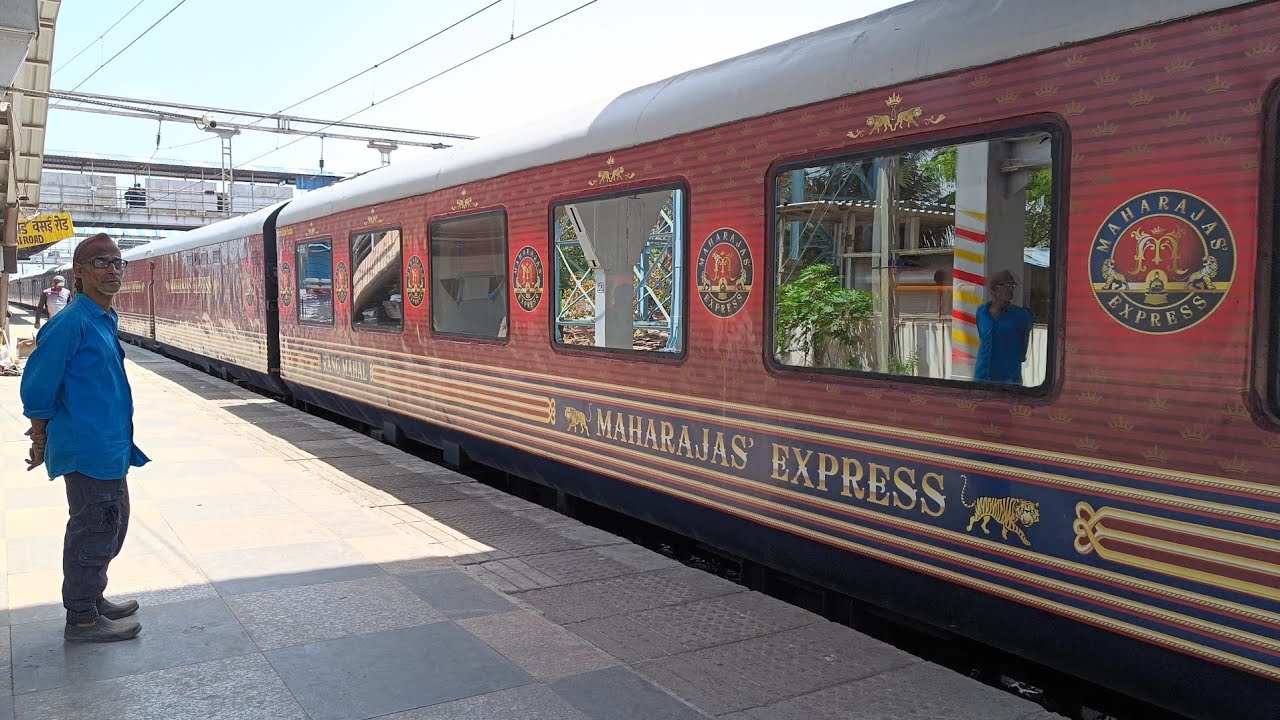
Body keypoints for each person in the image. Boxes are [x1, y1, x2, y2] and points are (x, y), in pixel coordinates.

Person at [20, 233, 150, 643]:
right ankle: (81, 617)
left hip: (109, 446)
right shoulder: (71, 324)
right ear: (78, 272)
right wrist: (39, 438)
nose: (112, 270)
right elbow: (38, 386)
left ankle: (92, 597)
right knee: (93, 529)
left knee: (112, 525)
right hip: (87, 447)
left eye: (117, 262)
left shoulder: (103, 318)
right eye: (100, 262)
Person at [974, 269, 1033, 384]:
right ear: (994, 289)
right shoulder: (982, 312)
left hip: (1008, 380)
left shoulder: (1022, 315)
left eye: (1013, 284)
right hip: (982, 377)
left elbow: (1023, 348)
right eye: (1006, 284)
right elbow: (983, 338)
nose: (1011, 288)